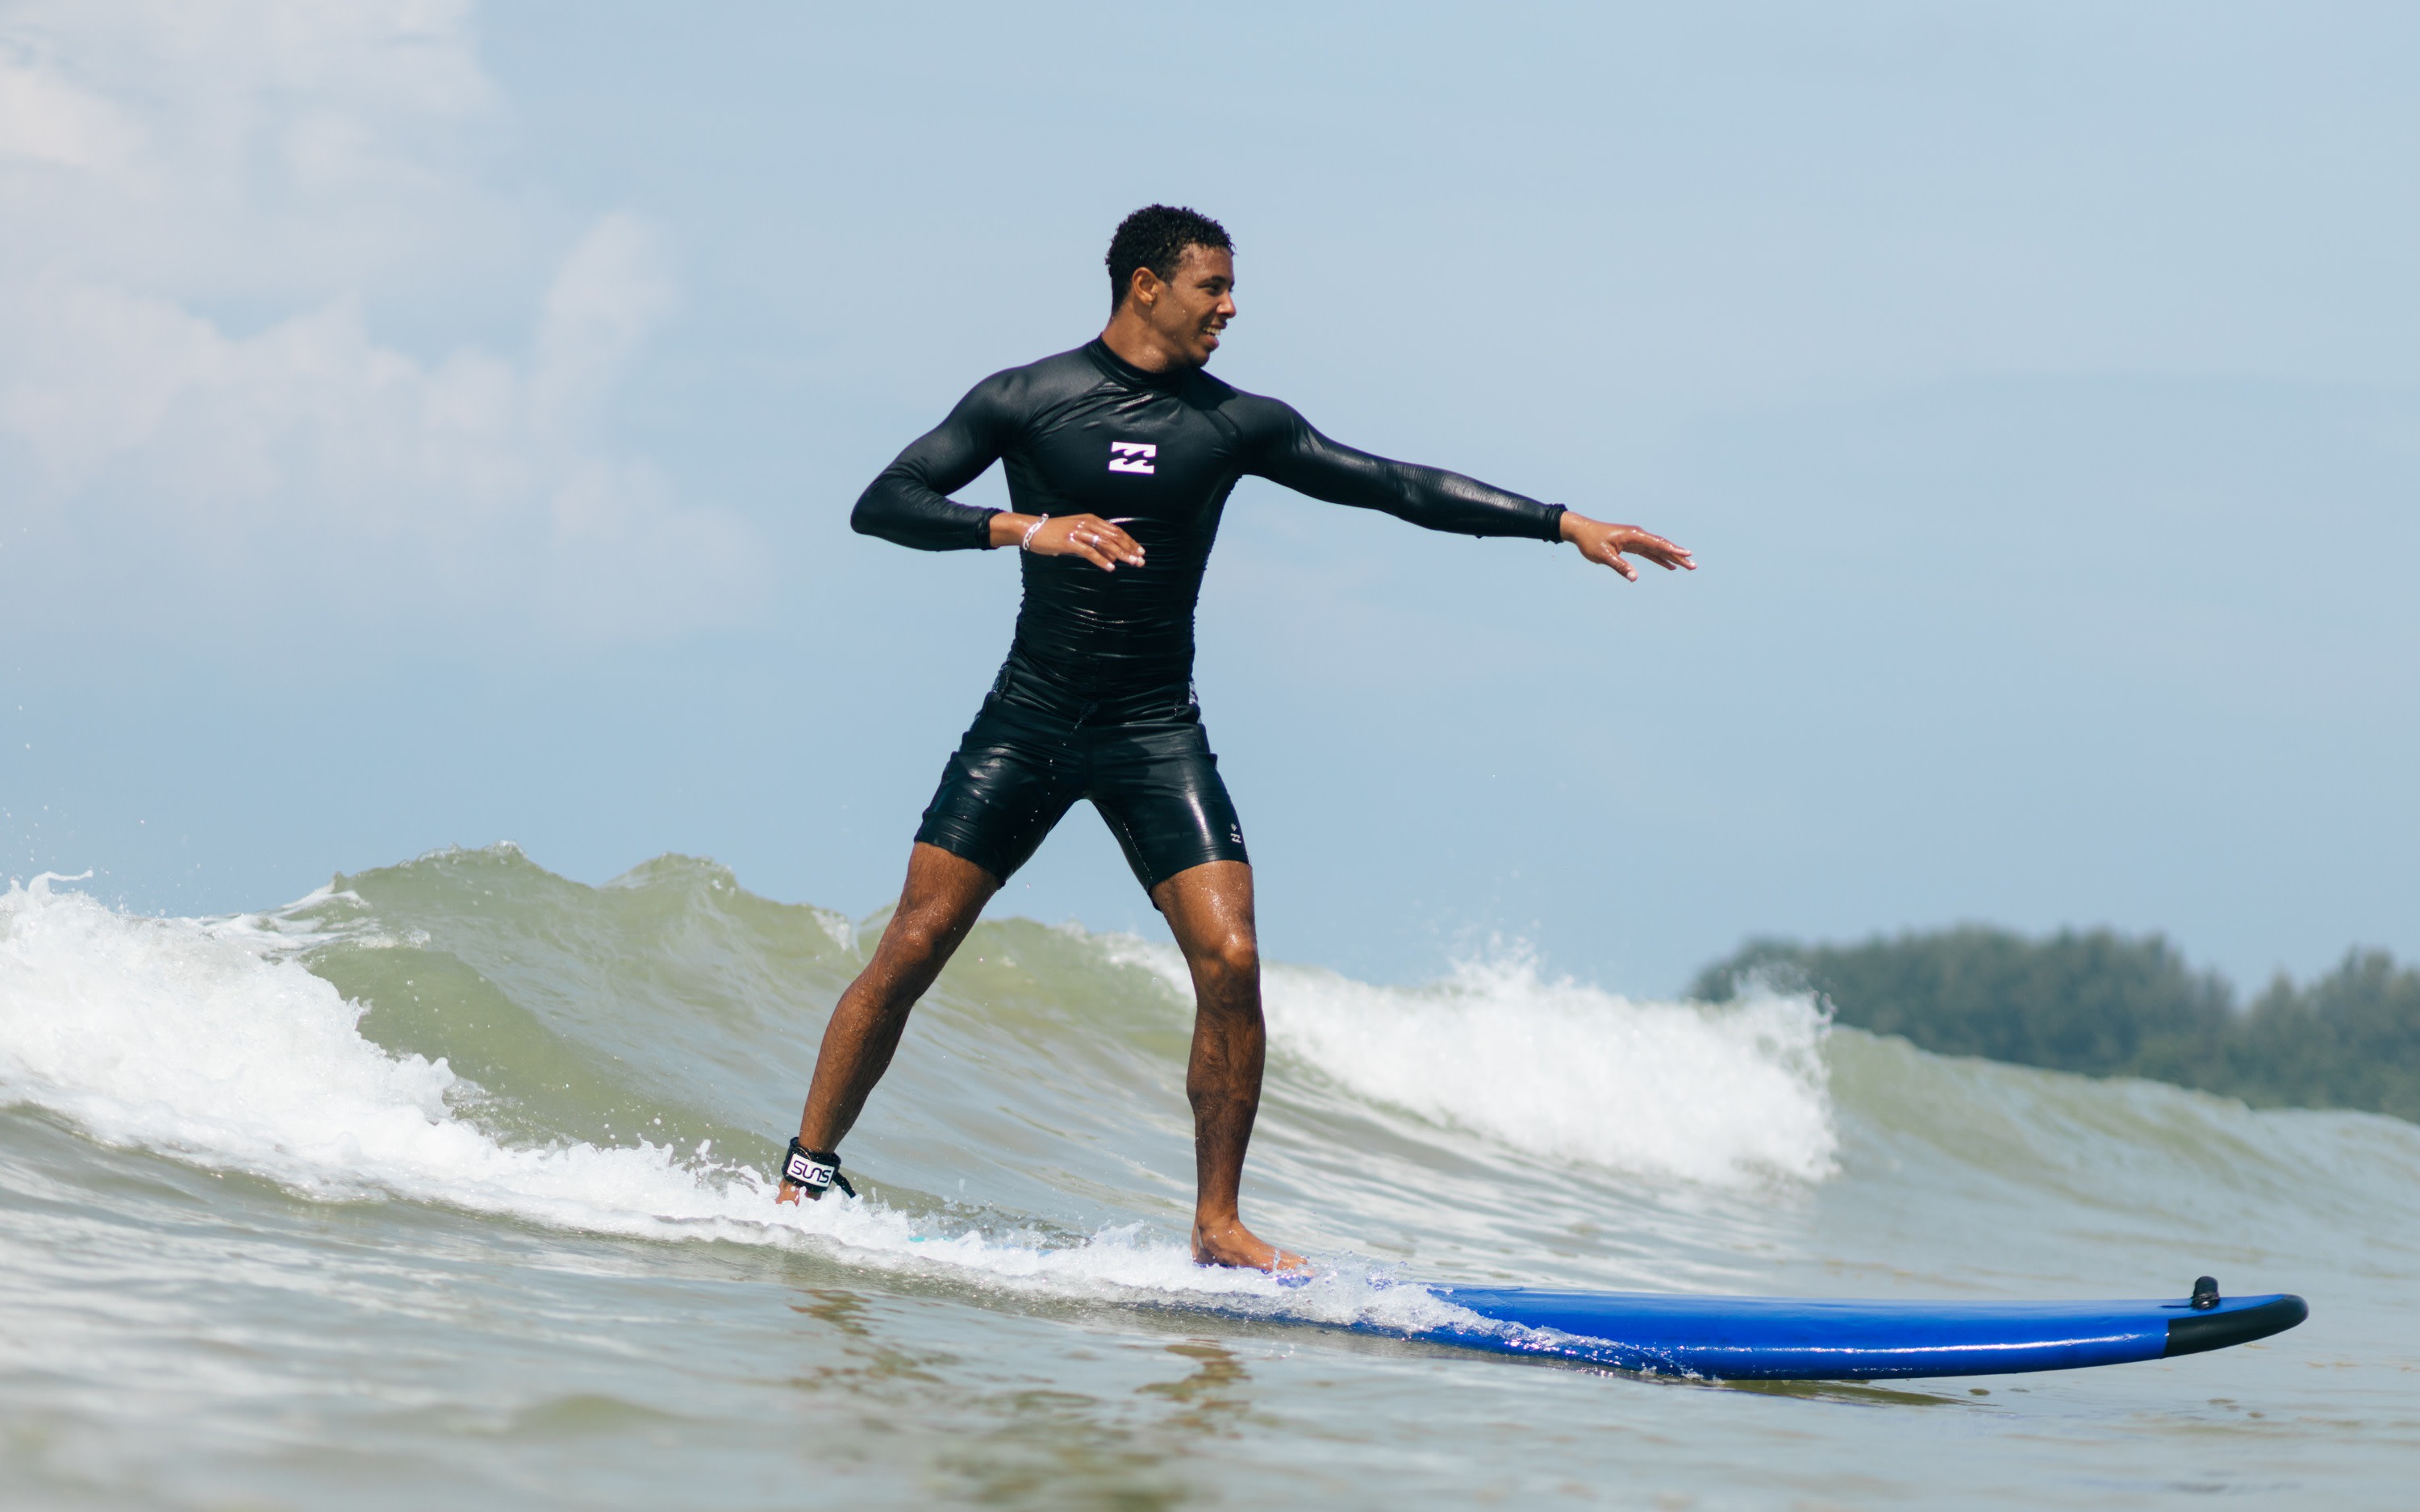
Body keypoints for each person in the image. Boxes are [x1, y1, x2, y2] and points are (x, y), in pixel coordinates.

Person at [776, 205, 1692, 1270]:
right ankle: (806, 1171)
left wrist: (1561, 522)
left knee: (1233, 958)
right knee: (916, 942)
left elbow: (1393, 485)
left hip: (1155, 730)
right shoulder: (1026, 399)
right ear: (1147, 286)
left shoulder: (1236, 424)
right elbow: (885, 501)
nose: (1230, 307)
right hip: (1027, 721)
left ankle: (1217, 1225)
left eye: (1230, 288)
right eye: (1212, 286)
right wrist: (1027, 528)